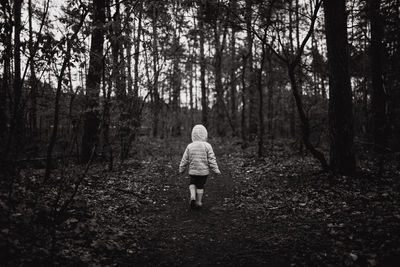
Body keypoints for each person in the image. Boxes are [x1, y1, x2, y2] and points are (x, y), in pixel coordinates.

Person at [179, 124, 221, 209]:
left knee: (192, 183)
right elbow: (211, 159)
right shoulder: (207, 146)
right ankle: (198, 201)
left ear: (193, 135)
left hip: (193, 171)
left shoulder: (190, 146)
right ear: (205, 134)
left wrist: (181, 168)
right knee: (200, 186)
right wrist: (216, 170)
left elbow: (185, 159)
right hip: (203, 172)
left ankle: (192, 196)